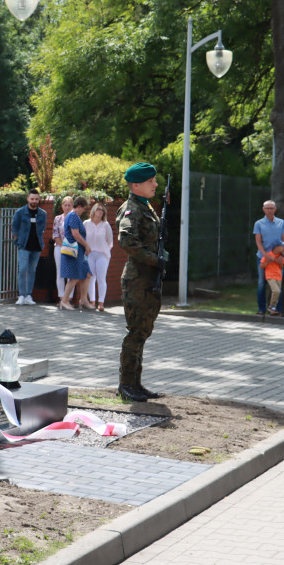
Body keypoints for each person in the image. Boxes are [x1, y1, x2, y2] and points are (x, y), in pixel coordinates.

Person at [116, 163, 163, 402]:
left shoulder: (146, 207)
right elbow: (126, 240)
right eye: (151, 181)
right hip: (137, 280)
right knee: (135, 333)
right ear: (136, 185)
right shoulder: (131, 209)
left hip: (148, 279)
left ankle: (136, 383)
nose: (155, 184)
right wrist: (154, 260)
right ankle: (126, 384)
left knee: (143, 332)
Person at [11, 188, 47, 305]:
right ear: (28, 199)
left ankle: (28, 295)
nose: (34, 201)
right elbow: (14, 229)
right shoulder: (20, 212)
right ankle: (21, 295)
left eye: (36, 199)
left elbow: (42, 229)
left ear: (39, 200)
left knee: (32, 270)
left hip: (36, 246)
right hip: (24, 245)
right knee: (22, 270)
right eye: (32, 199)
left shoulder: (43, 214)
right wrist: (18, 242)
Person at [59, 196, 95, 310]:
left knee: (87, 274)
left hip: (79, 252)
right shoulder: (73, 216)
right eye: (84, 208)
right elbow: (75, 234)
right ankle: (64, 301)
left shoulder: (74, 216)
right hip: (73, 251)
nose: (84, 211)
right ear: (78, 206)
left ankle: (83, 300)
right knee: (73, 277)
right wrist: (86, 245)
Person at [254, 200, 284, 316]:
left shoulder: (281, 223)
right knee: (261, 283)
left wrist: (282, 255)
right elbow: (258, 242)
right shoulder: (258, 223)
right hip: (263, 258)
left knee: (278, 283)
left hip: (278, 259)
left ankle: (276, 309)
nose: (270, 210)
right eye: (267, 208)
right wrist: (265, 255)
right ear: (263, 209)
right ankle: (261, 309)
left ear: (275, 209)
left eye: (272, 208)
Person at [84, 201, 113, 311]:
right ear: (93, 210)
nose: (100, 212)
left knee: (101, 278)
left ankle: (101, 302)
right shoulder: (86, 223)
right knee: (90, 278)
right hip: (90, 254)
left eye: (102, 210)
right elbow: (82, 238)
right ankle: (92, 301)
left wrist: (104, 251)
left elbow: (110, 242)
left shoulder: (106, 225)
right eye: (98, 209)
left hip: (102, 255)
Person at [52, 196, 74, 302]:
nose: (67, 207)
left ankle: (68, 298)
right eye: (65, 205)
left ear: (72, 206)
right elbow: (55, 234)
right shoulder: (58, 218)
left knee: (70, 273)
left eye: (69, 205)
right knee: (60, 273)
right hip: (59, 247)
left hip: (72, 248)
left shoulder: (75, 218)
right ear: (62, 206)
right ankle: (61, 297)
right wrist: (62, 246)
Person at [260, 242, 284, 316]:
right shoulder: (268, 255)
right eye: (281, 246)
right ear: (276, 247)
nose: (283, 248)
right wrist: (268, 261)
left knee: (278, 292)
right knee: (276, 291)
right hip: (270, 276)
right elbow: (261, 266)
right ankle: (271, 306)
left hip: (278, 276)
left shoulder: (281, 257)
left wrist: (280, 263)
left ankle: (273, 309)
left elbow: (281, 267)